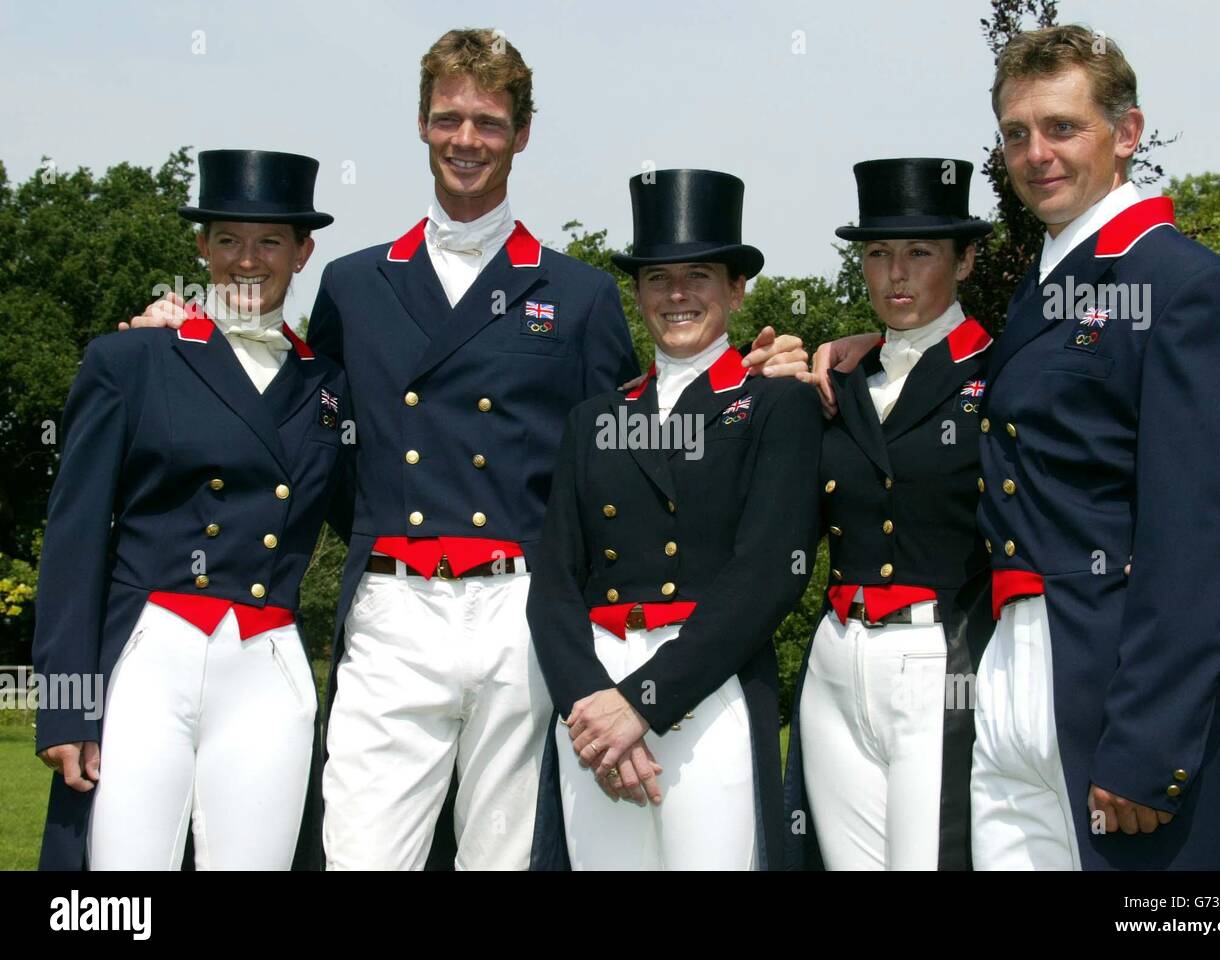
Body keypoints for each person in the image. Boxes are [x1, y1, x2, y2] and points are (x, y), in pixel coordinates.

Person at [131, 28, 805, 870]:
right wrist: (189, 329)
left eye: (489, 122)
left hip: (519, 611)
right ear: (421, 124)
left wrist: (764, 367)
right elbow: (306, 417)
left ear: (522, 133)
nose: (467, 140)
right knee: (361, 854)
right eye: (449, 117)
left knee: (506, 856)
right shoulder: (354, 282)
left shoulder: (580, 293)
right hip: (394, 605)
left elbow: (632, 460)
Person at [817, 25, 1220, 870]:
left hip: (1110, 679)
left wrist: (1150, 740)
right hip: (1006, 668)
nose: (1038, 153)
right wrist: (864, 350)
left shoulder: (1188, 288)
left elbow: (1205, 540)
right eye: (1017, 133)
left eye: (1063, 127)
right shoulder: (1042, 290)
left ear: (1126, 133)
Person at [34, 149, 349, 869]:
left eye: (270, 241)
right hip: (149, 656)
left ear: (303, 253)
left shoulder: (329, 386)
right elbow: (75, 538)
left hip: (266, 660)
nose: (248, 260)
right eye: (229, 239)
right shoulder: (131, 361)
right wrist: (64, 705)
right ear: (201, 246)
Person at [528, 169, 822, 870]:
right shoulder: (594, 419)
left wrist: (643, 704)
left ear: (736, 288)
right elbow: (555, 586)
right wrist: (589, 704)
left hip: (707, 688)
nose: (678, 294)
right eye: (659, 278)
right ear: (638, 292)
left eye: (699, 274)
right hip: (595, 703)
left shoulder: (778, 406)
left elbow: (766, 576)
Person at [784, 158, 996, 871]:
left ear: (965, 260)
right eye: (877, 254)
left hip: (939, 658)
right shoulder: (838, 379)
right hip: (837, 659)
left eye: (919, 253)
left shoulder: (997, 374)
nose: (895, 274)